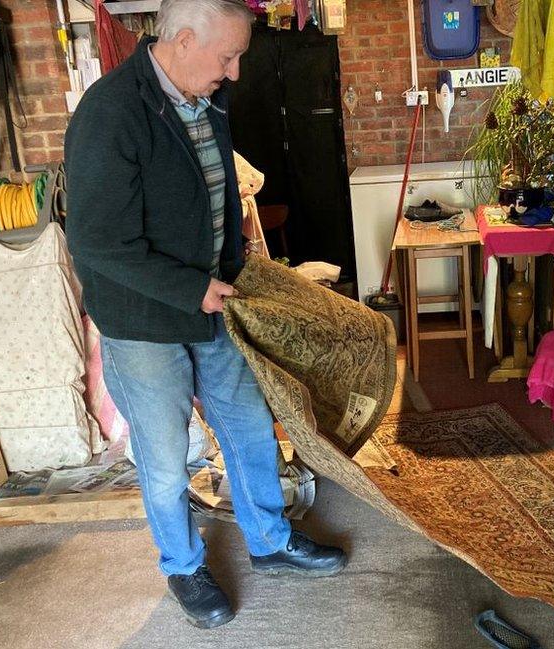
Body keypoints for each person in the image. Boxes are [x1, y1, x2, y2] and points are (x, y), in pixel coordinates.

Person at [64, 0, 346, 630]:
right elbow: (97, 243)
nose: (237, 72)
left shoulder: (206, 98)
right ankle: (184, 565)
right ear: (184, 39)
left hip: (209, 302)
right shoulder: (111, 113)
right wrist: (194, 288)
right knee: (165, 459)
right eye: (229, 56)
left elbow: (210, 201)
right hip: (143, 321)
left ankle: (270, 541)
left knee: (248, 427)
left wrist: (233, 266)